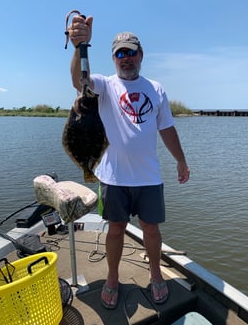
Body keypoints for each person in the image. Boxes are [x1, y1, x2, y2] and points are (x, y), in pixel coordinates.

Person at [68, 15, 190, 309]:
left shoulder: (156, 89)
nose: (125, 58)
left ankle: (156, 274)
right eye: (119, 53)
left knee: (151, 229)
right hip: (114, 177)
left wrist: (181, 161)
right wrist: (79, 48)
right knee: (116, 229)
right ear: (113, 59)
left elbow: (167, 129)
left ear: (141, 55)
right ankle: (112, 277)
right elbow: (79, 81)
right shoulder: (105, 86)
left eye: (130, 52)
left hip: (149, 177)